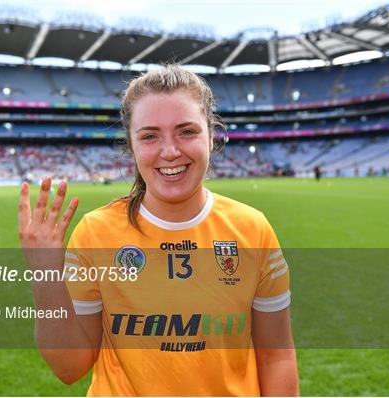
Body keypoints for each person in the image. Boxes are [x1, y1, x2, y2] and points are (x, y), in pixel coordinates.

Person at [18, 65, 299, 396]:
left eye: (187, 132)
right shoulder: (96, 233)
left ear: (211, 135)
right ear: (132, 145)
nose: (169, 151)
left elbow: (276, 356)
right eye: (150, 136)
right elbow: (70, 367)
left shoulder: (253, 230)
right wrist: (45, 269)